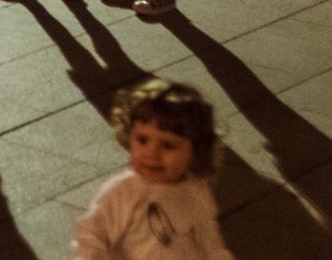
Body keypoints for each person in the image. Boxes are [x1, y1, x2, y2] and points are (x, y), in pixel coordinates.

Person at [73, 80, 233, 260]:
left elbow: (209, 242)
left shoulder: (196, 191)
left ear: (196, 151)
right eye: (142, 140)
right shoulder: (122, 193)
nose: (151, 153)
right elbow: (90, 236)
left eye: (167, 145)